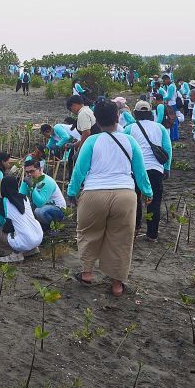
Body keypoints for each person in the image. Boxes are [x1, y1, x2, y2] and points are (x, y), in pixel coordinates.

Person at [67, 100, 152, 297]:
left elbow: (79, 171)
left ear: (96, 119)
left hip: (94, 194)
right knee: (121, 240)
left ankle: (87, 273)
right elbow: (140, 172)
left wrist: (71, 193)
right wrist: (148, 193)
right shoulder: (129, 141)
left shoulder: (90, 141)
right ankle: (116, 285)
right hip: (125, 195)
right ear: (117, 118)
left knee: (88, 233)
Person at [126, 101, 172, 241]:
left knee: (135, 200)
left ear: (136, 113)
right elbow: (167, 148)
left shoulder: (129, 128)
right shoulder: (160, 128)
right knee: (155, 202)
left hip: (136, 171)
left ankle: (135, 229)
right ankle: (152, 234)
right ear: (150, 112)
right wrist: (167, 168)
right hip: (156, 169)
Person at [0, 174, 44, 263]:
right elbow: (21, 193)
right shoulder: (24, 198)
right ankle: (31, 250)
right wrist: (26, 184)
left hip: (25, 241)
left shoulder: (2, 203)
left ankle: (16, 253)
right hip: (38, 236)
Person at [21, 158, 67, 234]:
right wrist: (24, 183)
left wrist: (32, 187)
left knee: (39, 212)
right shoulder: (29, 179)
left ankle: (51, 228)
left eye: (32, 171)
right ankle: (41, 227)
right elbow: (21, 196)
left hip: (57, 209)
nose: (29, 174)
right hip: (41, 207)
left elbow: (40, 203)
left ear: (39, 170)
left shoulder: (47, 182)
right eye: (27, 172)